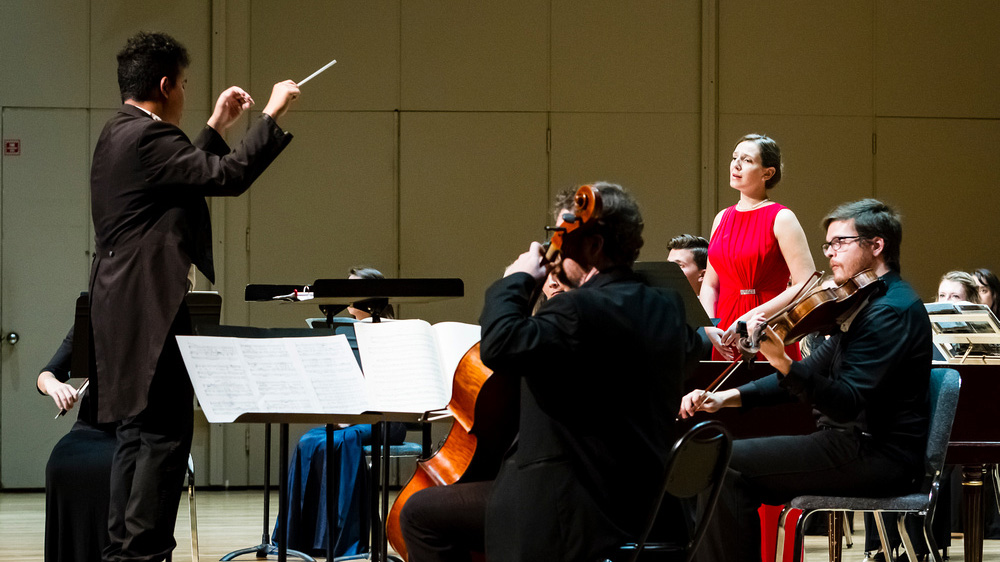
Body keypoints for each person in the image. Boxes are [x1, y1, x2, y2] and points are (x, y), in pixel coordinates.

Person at [399, 182, 709, 562]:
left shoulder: (576, 312)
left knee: (419, 513)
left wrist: (517, 279)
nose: (556, 250)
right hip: (643, 504)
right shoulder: (666, 306)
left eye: (564, 238)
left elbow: (499, 346)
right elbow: (691, 353)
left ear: (595, 246)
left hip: (566, 510)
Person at [89, 31, 298, 562]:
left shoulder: (120, 132)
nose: (184, 93)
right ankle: (144, 552)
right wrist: (269, 116)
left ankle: (124, 552)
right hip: (149, 305)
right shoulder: (147, 137)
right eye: (182, 84)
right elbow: (225, 177)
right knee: (163, 435)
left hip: (121, 303)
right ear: (164, 85)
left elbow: (180, 178)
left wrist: (214, 126)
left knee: (137, 435)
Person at [680, 198, 933, 562]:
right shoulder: (865, 304)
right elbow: (813, 368)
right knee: (720, 459)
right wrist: (726, 397)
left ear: (877, 246)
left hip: (876, 454)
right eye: (827, 245)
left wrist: (783, 361)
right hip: (850, 443)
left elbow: (846, 401)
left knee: (725, 462)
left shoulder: (890, 312)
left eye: (840, 243)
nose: (830, 254)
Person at [274, 266, 405, 557]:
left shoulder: (392, 330)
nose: (346, 295)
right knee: (309, 440)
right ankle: (303, 538)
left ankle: (344, 538)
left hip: (389, 418)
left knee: (343, 440)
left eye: (353, 289)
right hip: (354, 417)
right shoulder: (342, 330)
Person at [700, 134, 815, 361]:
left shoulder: (782, 217)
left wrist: (748, 318)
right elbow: (711, 284)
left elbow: (807, 282)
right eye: (734, 158)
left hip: (765, 323)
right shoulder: (721, 217)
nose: (737, 165)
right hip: (725, 329)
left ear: (767, 173)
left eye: (747, 160)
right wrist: (708, 324)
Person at [37, 327, 117, 562]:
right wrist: (54, 385)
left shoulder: (164, 317)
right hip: (91, 428)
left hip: (145, 431)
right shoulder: (96, 316)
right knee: (62, 463)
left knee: (115, 466)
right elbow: (47, 373)